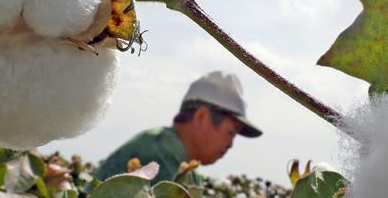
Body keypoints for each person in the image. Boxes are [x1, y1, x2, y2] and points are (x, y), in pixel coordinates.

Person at [95, 71, 262, 183]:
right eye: (230, 133)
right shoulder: (161, 153)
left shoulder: (183, 164)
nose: (230, 144)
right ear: (202, 117)